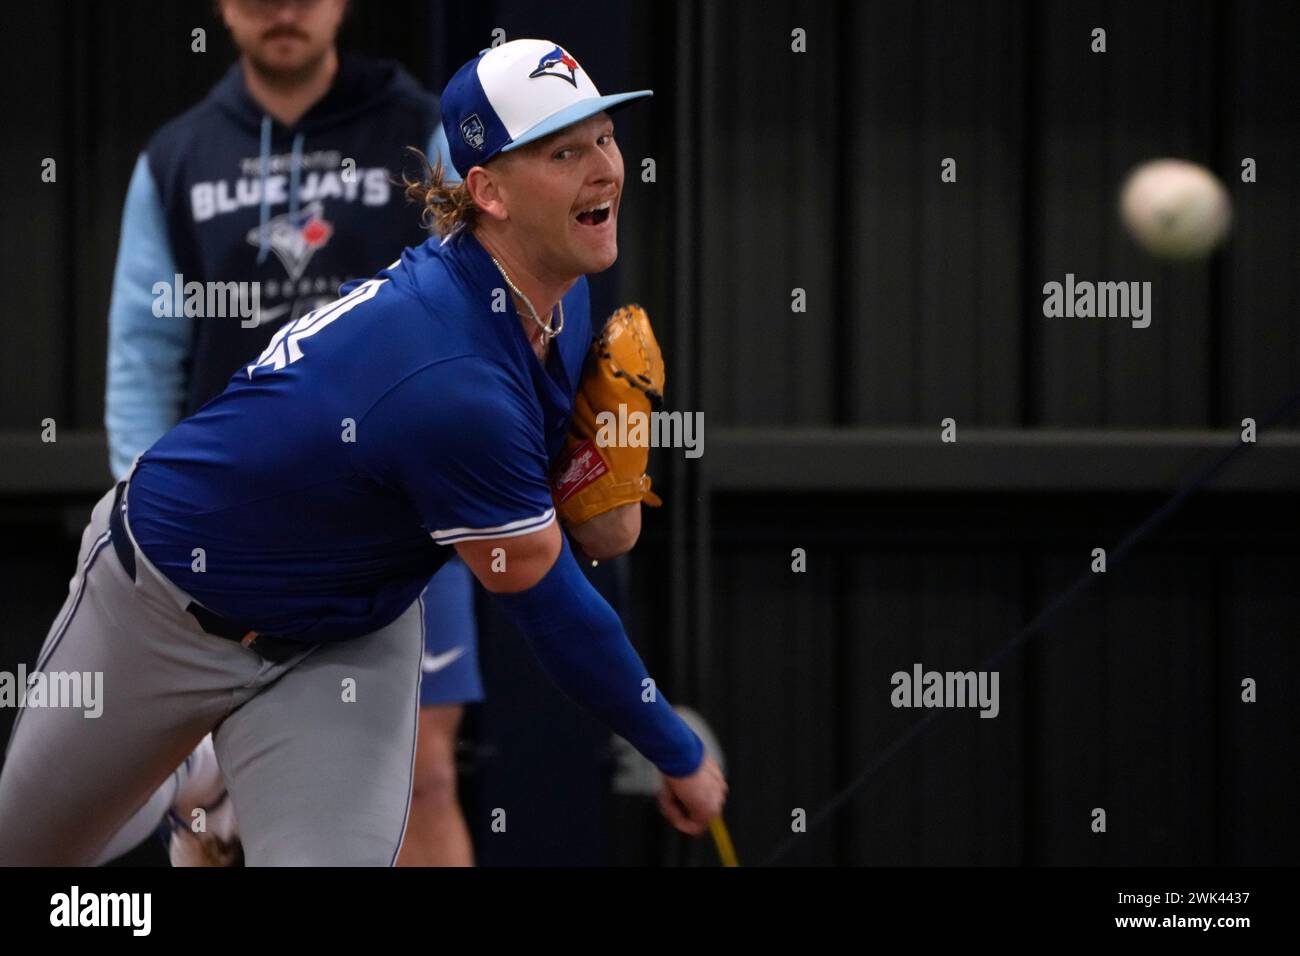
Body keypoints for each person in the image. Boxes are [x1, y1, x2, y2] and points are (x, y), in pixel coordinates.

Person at [0, 38, 727, 866]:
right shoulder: (453, 383)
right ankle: (187, 773)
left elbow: (598, 536)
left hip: (346, 632)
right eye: (564, 151)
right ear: (486, 191)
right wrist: (677, 749)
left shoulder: (560, 293)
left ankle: (201, 763)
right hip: (165, 602)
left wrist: (615, 469)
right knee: (32, 857)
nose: (604, 169)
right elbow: (557, 613)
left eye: (603, 136)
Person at [104, 0, 478, 865]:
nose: (283, 8)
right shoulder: (177, 157)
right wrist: (140, 520)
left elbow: (483, 297)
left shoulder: (425, 128)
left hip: (407, 523)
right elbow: (144, 347)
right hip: (227, 530)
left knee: (422, 779)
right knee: (205, 800)